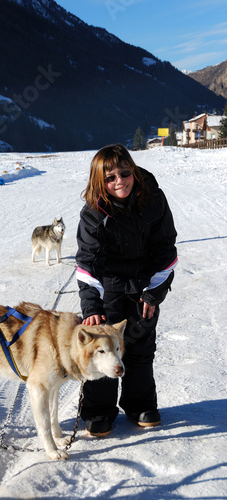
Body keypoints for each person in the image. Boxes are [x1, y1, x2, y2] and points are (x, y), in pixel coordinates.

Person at [76, 144, 177, 436]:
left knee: (140, 347)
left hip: (143, 286)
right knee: (106, 348)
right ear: (99, 182)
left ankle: (139, 404)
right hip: (108, 288)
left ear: (133, 171)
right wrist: (92, 307)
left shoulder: (154, 199)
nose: (119, 181)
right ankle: (98, 410)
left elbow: (165, 248)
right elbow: (86, 263)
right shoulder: (94, 212)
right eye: (110, 178)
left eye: (124, 173)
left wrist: (155, 292)